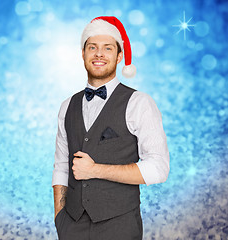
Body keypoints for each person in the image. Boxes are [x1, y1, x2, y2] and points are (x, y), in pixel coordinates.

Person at [52, 16, 170, 240]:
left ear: (119, 56)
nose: (99, 54)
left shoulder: (139, 102)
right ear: (83, 54)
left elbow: (159, 169)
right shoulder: (67, 106)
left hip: (120, 226)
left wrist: (95, 170)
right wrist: (60, 219)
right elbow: (61, 166)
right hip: (71, 225)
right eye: (92, 47)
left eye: (107, 48)